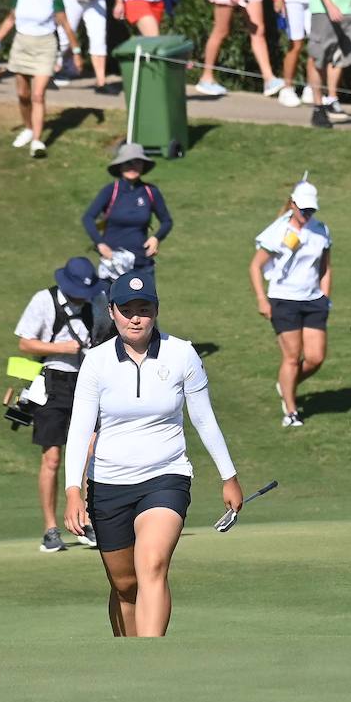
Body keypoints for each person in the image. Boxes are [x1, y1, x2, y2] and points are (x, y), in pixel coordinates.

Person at [62, 271, 243, 637]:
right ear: (111, 312)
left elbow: (204, 418)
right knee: (125, 585)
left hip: (166, 477)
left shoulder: (182, 354)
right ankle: (128, 660)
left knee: (152, 564)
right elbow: (80, 429)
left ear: (156, 311)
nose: (135, 317)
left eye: (143, 309)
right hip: (109, 484)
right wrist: (72, 492)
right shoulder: (96, 362)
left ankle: (153, 659)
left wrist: (229, 475)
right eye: (126, 310)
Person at [16, 256, 108, 553]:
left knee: (90, 451)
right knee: (52, 458)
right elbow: (25, 343)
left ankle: (86, 520)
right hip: (53, 382)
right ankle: (50, 529)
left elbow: (107, 334)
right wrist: (61, 348)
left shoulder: (97, 301)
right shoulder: (44, 300)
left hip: (87, 381)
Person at [249, 180, 331, 427]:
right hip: (284, 300)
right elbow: (255, 266)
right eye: (303, 209)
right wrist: (262, 299)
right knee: (292, 357)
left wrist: (325, 295)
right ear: (293, 204)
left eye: (311, 210)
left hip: (314, 299)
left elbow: (326, 266)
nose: (307, 215)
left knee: (316, 358)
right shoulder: (278, 231)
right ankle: (291, 411)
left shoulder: (321, 230)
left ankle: (286, 384)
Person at [0, 0, 78, 158]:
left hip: (45, 46)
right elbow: (10, 20)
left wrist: (76, 51)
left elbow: (65, 24)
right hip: (21, 45)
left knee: (37, 94)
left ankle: (37, 140)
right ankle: (28, 127)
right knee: (23, 94)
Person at [82, 143, 173, 274]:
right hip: (112, 263)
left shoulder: (151, 192)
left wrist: (156, 238)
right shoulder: (110, 191)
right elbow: (88, 218)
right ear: (120, 166)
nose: (132, 166)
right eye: (127, 163)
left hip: (142, 264)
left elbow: (167, 221)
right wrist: (100, 243)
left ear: (143, 165)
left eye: (137, 162)